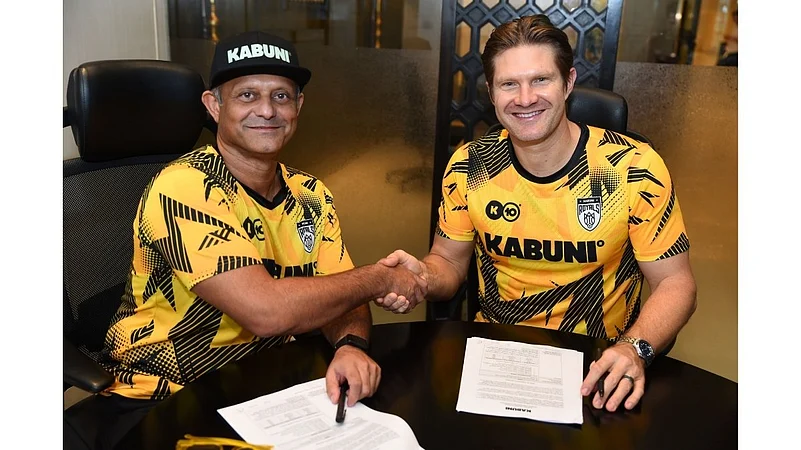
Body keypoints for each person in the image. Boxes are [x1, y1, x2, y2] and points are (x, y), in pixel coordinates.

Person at [66, 31, 426, 450]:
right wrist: (381, 278)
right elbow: (265, 312)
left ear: (298, 106)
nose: (267, 110)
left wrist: (350, 346)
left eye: (281, 96)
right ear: (214, 105)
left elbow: (342, 292)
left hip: (264, 385)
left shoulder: (312, 194)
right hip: (161, 396)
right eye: (247, 95)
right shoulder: (184, 187)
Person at [375, 15, 697, 413]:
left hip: (599, 364)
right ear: (491, 92)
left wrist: (634, 348)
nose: (525, 98)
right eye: (509, 84)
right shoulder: (470, 166)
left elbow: (675, 283)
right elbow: (449, 262)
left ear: (568, 82)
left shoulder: (632, 168)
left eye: (541, 80)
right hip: (496, 359)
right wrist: (423, 277)